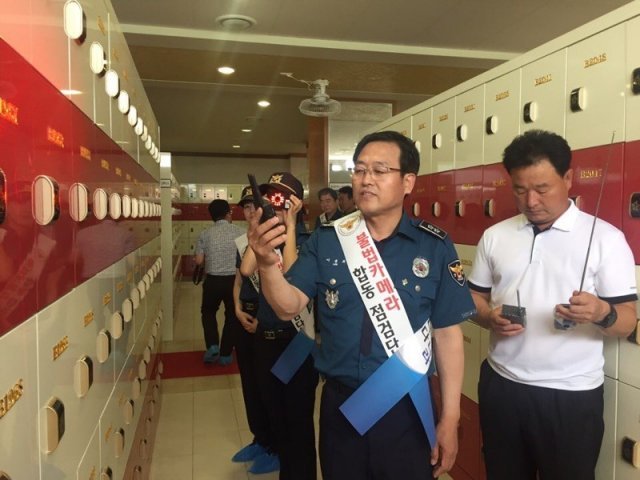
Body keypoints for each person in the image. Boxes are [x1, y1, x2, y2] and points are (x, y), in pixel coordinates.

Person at [247, 131, 475, 479]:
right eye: (359, 170)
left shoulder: (434, 246)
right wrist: (266, 264)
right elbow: (287, 306)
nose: (366, 179)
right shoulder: (328, 239)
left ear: (408, 181)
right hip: (342, 407)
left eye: (380, 170)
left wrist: (450, 416)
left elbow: (447, 335)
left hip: (408, 406)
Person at [467, 129, 638, 480]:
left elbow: (627, 323)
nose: (531, 201)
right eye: (520, 190)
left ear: (568, 178)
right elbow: (474, 298)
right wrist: (488, 316)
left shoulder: (605, 239)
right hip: (502, 386)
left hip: (570, 396)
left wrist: (602, 312)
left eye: (542, 189)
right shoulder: (495, 236)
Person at [241, 172, 318, 480]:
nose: (272, 204)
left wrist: (291, 225)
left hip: (296, 342)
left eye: (279, 198)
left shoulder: (309, 241)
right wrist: (258, 232)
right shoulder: (264, 242)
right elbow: (246, 269)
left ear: (295, 203)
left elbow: (291, 278)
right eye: (268, 198)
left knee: (298, 425)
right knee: (278, 421)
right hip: (266, 341)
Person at [231, 186, 279, 473]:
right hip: (244, 316)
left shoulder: (273, 240)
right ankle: (260, 438)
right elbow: (238, 280)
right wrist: (237, 308)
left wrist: (264, 316)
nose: (250, 212)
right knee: (249, 383)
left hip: (265, 320)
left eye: (254, 206)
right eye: (246, 207)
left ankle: (275, 445)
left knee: (266, 386)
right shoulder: (243, 241)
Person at [195, 199, 244, 364]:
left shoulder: (205, 234)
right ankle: (226, 354)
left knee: (208, 312)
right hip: (234, 281)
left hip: (212, 281)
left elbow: (199, 260)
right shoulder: (241, 232)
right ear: (228, 213)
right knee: (232, 315)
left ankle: (213, 346)